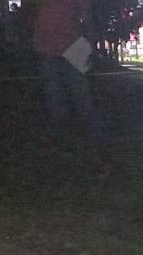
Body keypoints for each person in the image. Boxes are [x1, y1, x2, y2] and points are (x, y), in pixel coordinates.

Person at [30, 0, 102, 161]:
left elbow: (87, 16)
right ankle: (75, 143)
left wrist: (91, 47)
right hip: (59, 46)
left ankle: (82, 143)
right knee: (62, 99)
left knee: (73, 99)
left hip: (64, 45)